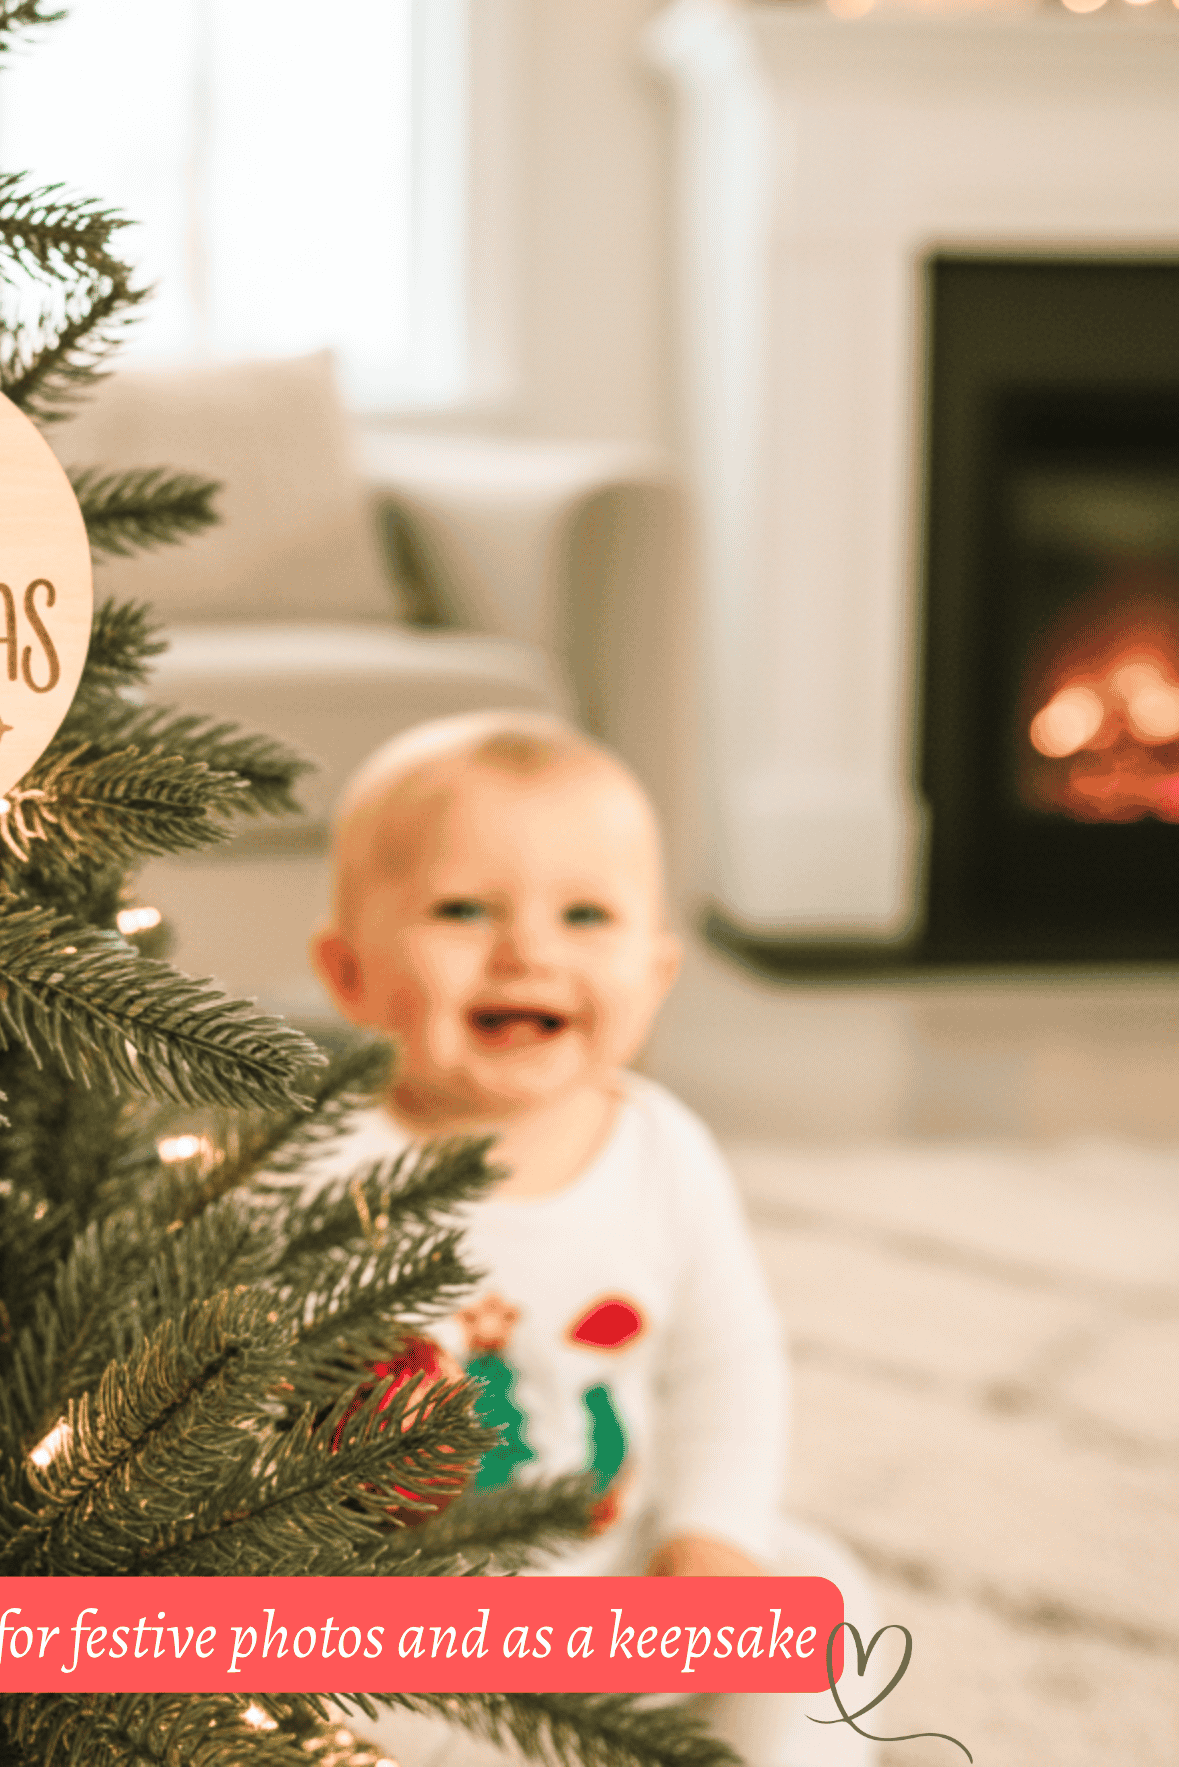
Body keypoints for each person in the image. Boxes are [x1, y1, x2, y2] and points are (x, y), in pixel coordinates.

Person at [309, 710, 868, 1767]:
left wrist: (707, 1539)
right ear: (348, 972)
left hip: (621, 1585)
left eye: (584, 913)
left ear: (654, 975)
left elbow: (724, 1363)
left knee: (822, 1589)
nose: (528, 949)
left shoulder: (663, 1151)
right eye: (462, 907)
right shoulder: (317, 1168)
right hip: (397, 1621)